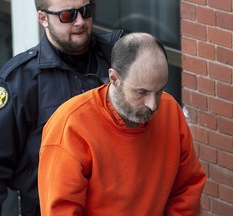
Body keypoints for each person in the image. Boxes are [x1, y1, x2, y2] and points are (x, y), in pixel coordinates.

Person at [0, 0, 124, 215]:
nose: (80, 21)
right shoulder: (19, 81)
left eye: (86, 11)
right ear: (43, 18)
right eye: (68, 16)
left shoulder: (120, 57)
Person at [38, 32, 206, 215]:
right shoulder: (71, 127)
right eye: (141, 92)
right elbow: (61, 210)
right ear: (114, 79)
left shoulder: (170, 110)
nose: (153, 104)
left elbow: (187, 189)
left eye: (159, 90)